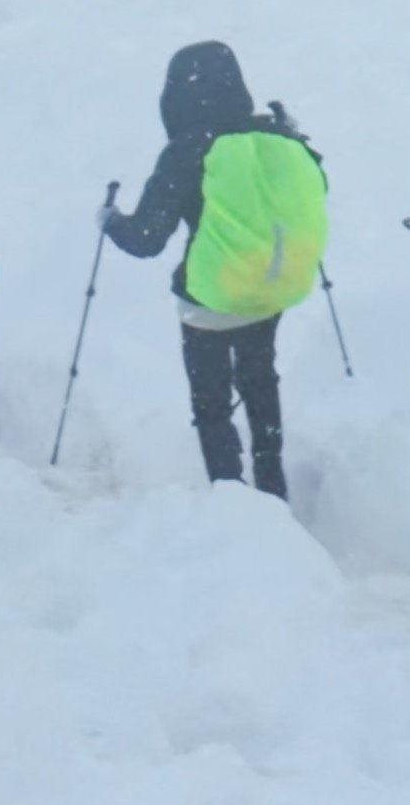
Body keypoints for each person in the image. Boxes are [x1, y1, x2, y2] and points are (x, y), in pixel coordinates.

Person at [100, 42, 326, 497]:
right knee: (260, 379)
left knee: (212, 402)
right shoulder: (276, 136)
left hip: (209, 298)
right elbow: (317, 187)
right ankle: (272, 486)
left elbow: (146, 239)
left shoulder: (189, 149)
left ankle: (231, 496)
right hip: (272, 288)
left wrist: (111, 221)